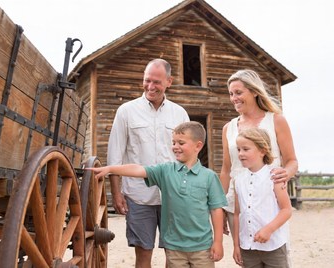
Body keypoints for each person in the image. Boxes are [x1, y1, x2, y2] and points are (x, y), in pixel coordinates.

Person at [91, 121, 227, 268]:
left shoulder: (209, 177)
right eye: (173, 142)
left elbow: (216, 210)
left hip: (202, 248)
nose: (175, 147)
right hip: (174, 247)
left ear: (198, 146)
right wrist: (111, 168)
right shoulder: (165, 171)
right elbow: (138, 169)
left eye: (181, 143)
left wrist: (218, 242)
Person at [107, 58, 189, 267]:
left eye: (157, 82)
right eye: (147, 81)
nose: (151, 87)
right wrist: (117, 193)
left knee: (175, 254)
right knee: (143, 254)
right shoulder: (126, 111)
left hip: (173, 196)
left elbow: (187, 157)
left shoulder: (179, 113)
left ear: (169, 82)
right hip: (138, 195)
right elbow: (114, 156)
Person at [219, 69, 298, 265]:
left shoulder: (276, 120)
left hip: (270, 200)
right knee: (247, 257)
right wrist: (220, 208)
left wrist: (284, 174)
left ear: (254, 91)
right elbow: (226, 170)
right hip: (237, 201)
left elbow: (292, 161)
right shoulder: (228, 128)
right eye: (231, 94)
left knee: (275, 253)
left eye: (238, 92)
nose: (234, 98)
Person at [233, 128, 292, 267]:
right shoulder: (238, 180)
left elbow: (287, 210)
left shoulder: (275, 177)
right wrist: (236, 245)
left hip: (274, 247)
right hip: (248, 248)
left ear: (262, 151)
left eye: (246, 149)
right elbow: (237, 214)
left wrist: (268, 229)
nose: (240, 154)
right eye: (238, 149)